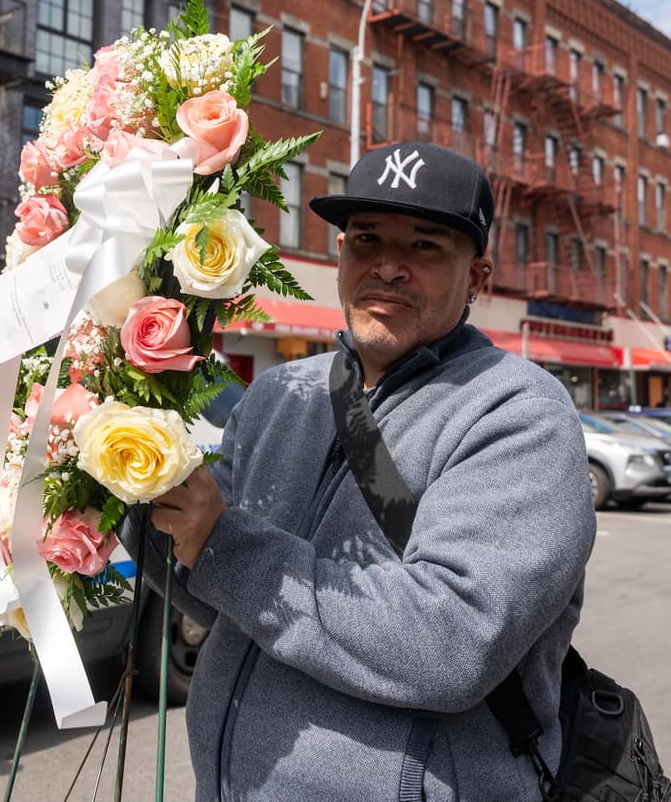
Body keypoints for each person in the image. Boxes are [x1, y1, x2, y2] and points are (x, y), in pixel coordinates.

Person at [131, 141, 596, 800]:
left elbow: (453, 642)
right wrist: (130, 504)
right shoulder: (276, 394)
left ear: (479, 278)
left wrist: (224, 545)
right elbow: (209, 584)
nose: (388, 267)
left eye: (425, 246)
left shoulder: (520, 414)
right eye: (366, 239)